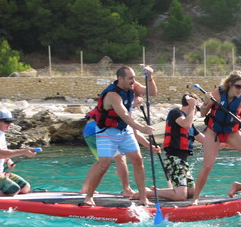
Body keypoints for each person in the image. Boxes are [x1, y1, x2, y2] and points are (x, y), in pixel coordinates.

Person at [191, 70, 241, 205]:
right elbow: (203, 114)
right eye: (238, 86)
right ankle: (195, 198)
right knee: (207, 166)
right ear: (230, 85)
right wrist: (206, 102)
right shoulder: (217, 94)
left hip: (232, 133)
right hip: (213, 133)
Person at [81, 66, 156, 207]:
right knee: (104, 165)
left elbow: (152, 92)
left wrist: (150, 77)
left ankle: (143, 198)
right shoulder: (112, 95)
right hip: (106, 132)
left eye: (134, 77)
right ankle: (89, 197)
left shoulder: (133, 85)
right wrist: (142, 128)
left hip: (124, 130)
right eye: (130, 78)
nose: (133, 81)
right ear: (120, 79)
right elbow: (125, 116)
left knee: (137, 160)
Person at [137, 93, 205, 201]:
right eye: (196, 108)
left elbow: (205, 140)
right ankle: (148, 193)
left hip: (182, 161)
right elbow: (185, 124)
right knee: (181, 196)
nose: (196, 111)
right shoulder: (175, 113)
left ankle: (157, 191)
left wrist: (225, 142)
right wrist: (192, 106)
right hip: (174, 159)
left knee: (192, 192)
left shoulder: (190, 123)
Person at [0, 109, 38, 196]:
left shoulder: (0, 133)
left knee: (25, 187)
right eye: (6, 122)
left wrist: (8, 160)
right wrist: (23, 151)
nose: (10, 124)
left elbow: (2, 153)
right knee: (13, 190)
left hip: (0, 173)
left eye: (11, 122)